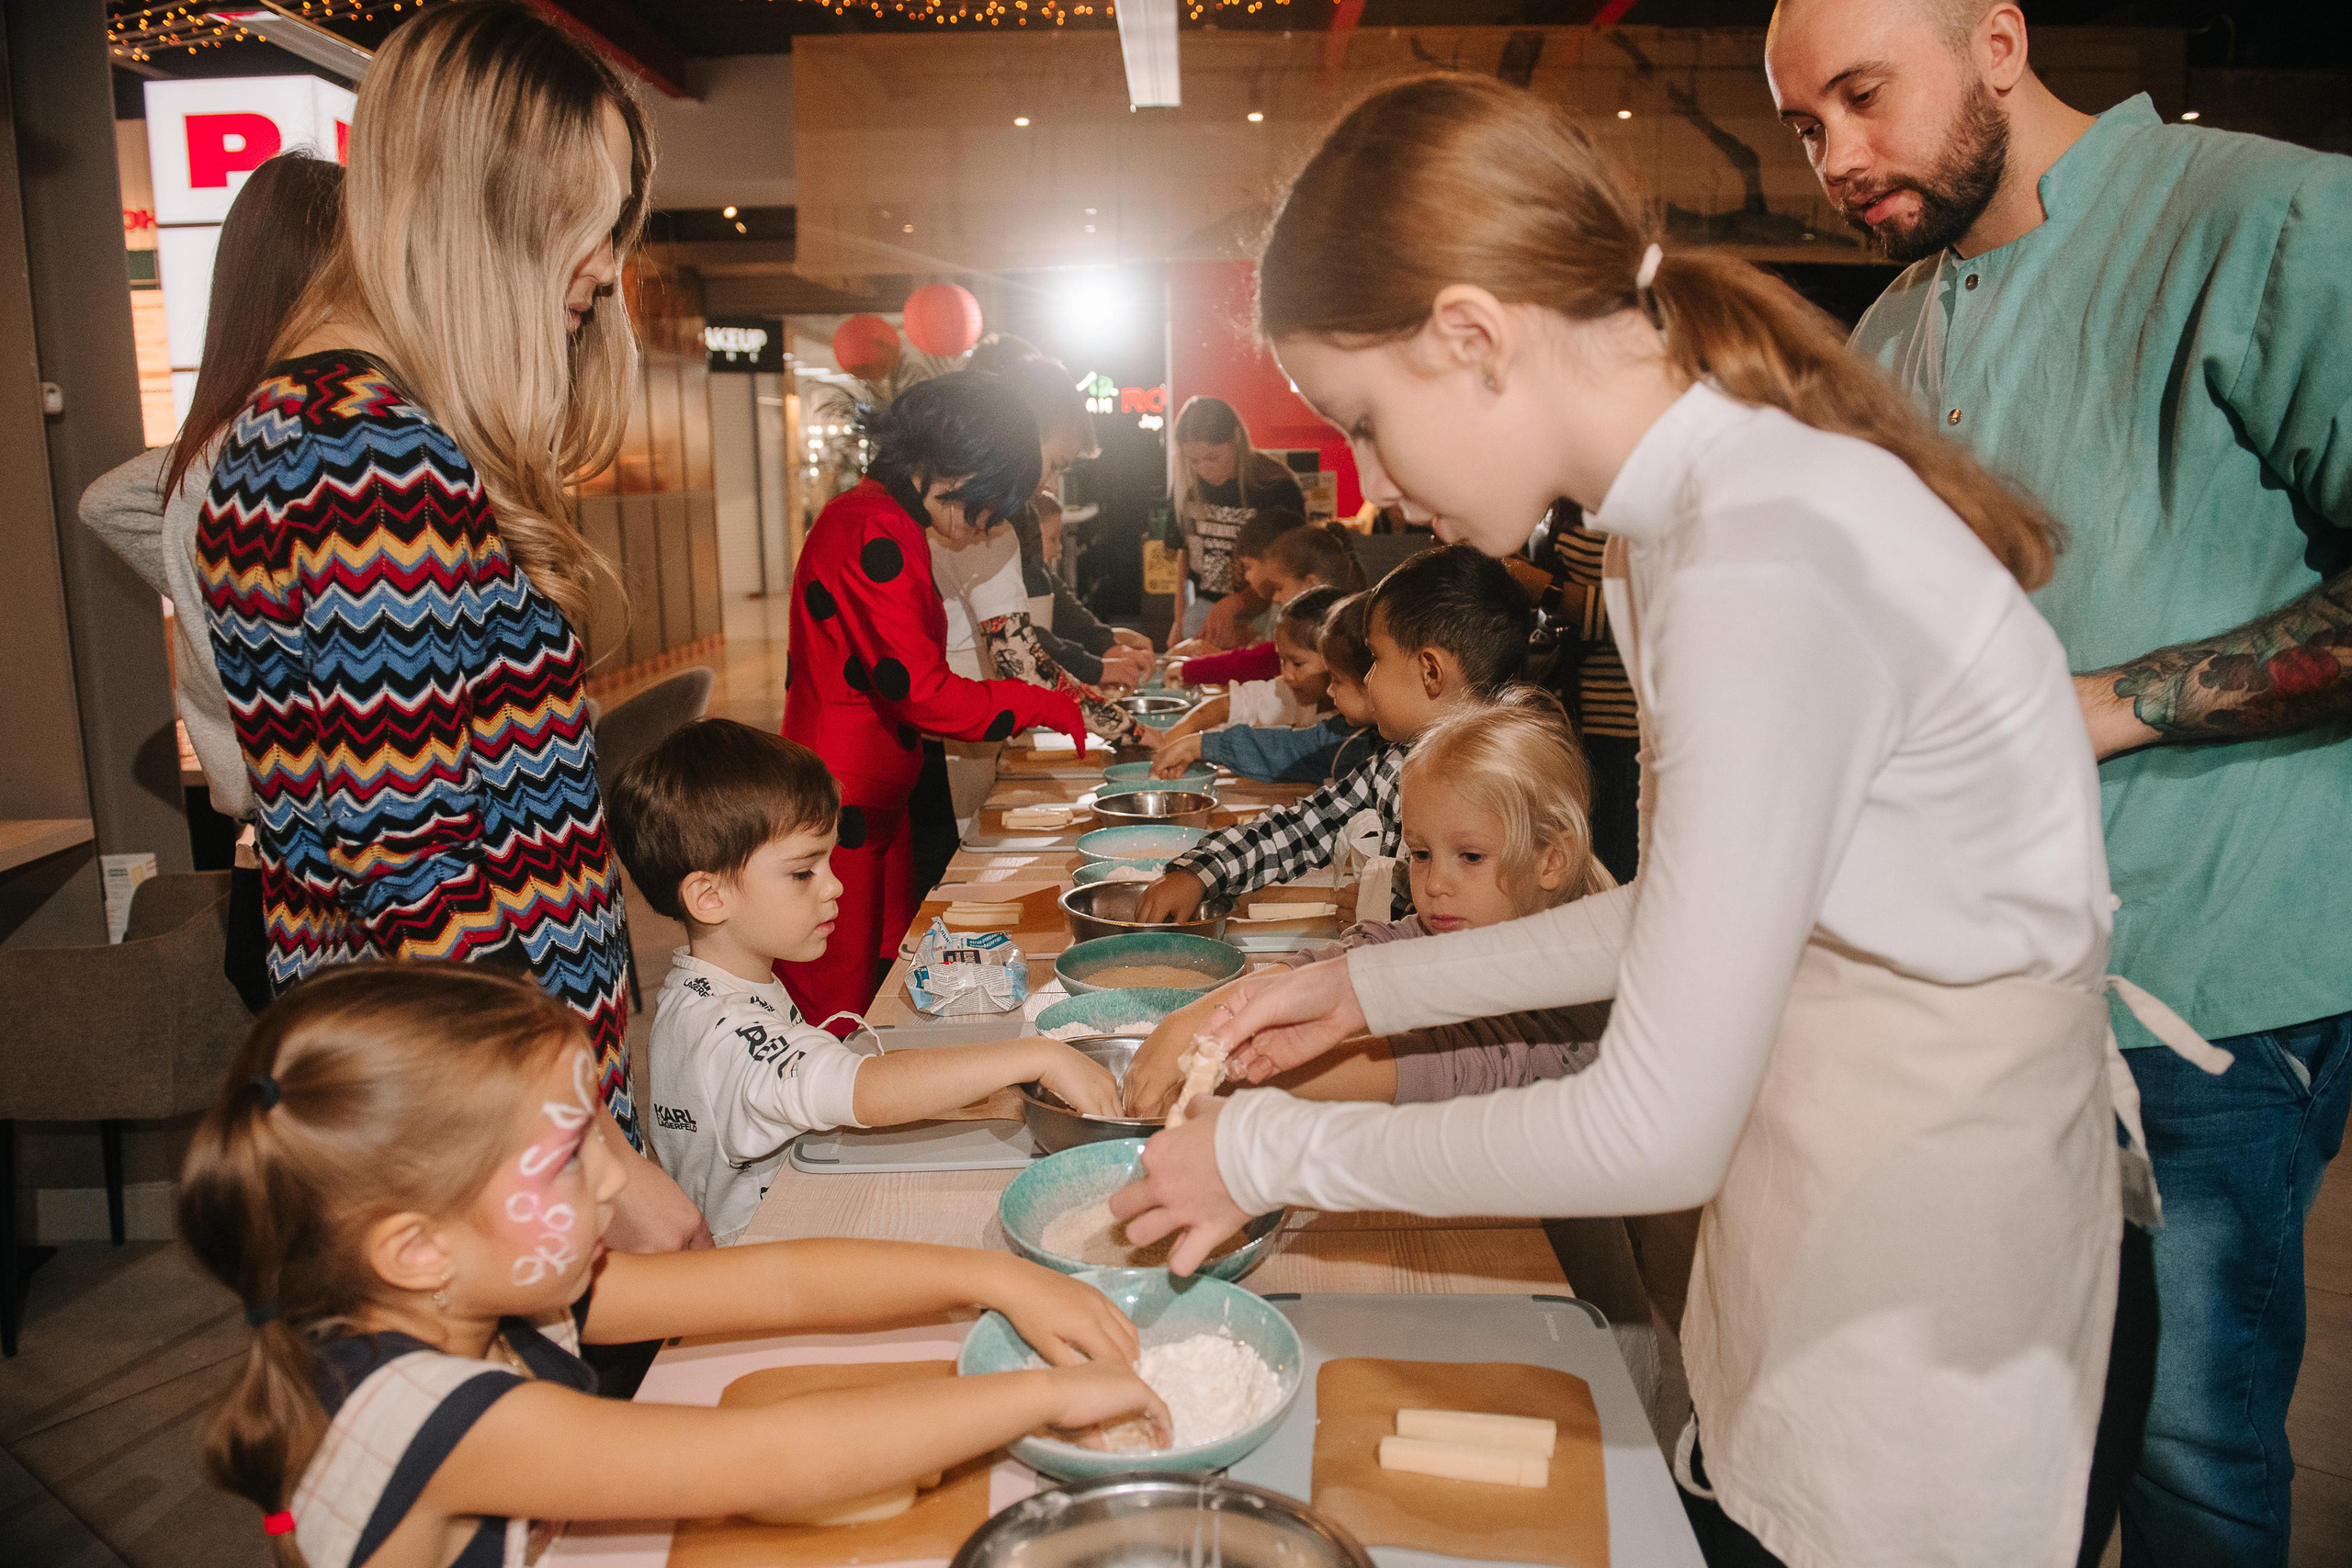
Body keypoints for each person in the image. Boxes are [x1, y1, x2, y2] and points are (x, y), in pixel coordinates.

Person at [1104, 72, 2203, 1568]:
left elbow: (1654, 1126)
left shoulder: (1763, 547)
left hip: (1936, 1289)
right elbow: (1688, 910)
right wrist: (1361, 990)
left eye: (1366, 420)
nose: (1375, 481)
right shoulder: (1679, 523)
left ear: (1472, 336)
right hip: (1829, 1229)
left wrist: (1267, 1152)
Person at [1766, 5, 2352, 1560]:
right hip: (1968, 1002)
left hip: (2203, 986)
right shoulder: (1890, 329)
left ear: (2000, 42)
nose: (1836, 157)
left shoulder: (2265, 218)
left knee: (2188, 1452)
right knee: (2007, 1441)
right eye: (1805, 128)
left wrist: (2108, 703)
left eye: (1863, 97)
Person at [194, 3, 707, 1251]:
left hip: (486, 1090)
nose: (606, 266)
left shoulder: (346, 426)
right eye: (588, 223)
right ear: (486, 211)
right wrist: (592, 1145)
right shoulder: (360, 449)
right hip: (472, 1115)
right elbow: (411, 865)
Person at [177, 963, 1165, 1559]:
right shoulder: (429, 1416)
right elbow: (770, 1460)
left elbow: (775, 1279)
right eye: (571, 1157)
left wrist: (995, 1276)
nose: (619, 1177)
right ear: (416, 1248)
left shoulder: (483, 1287)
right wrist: (1038, 1396)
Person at [609, 718, 1117, 1243]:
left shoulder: (703, 989)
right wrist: (1037, 1055)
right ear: (710, 898)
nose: (834, 886)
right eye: (803, 872)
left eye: (829, 861)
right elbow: (866, 1089)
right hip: (762, 1250)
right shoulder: (726, 1034)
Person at [80, 152, 342, 1013]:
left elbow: (108, 500)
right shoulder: (289, 452)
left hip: (269, 869)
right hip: (321, 882)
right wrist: (228, 592)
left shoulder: (221, 455)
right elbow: (104, 502)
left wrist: (219, 592)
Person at [1127, 697, 1612, 1114]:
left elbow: (1456, 1065)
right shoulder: (1462, 922)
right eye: (1420, 854)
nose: (1435, 884)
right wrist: (1190, 1022)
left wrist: (1216, 1074)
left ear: (1551, 861)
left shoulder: (1576, 993)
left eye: (1470, 857)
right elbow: (1355, 958)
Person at [779, 372, 1087, 1023]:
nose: (987, 524)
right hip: (844, 796)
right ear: (953, 468)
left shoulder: (882, 520)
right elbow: (920, 691)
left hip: (871, 791)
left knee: (886, 975)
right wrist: (1036, 702)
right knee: (840, 997)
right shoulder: (873, 529)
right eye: (989, 503)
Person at [1133, 544, 1533, 928]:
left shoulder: (1508, 782)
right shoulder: (1396, 762)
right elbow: (1304, 827)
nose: (1367, 679)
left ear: (1431, 672)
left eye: (1375, 660)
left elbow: (1478, 920)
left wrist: (1387, 908)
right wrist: (1202, 871)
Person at [1530, 502, 1641, 886]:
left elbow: (1643, 614)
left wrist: (1545, 590)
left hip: (1621, 722)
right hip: (1563, 718)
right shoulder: (1561, 502)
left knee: (1610, 872)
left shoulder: (1636, 506)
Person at [1152, 587, 1348, 783]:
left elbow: (1291, 750)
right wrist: (1169, 743)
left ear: (1333, 661)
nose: (1286, 674)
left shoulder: (1348, 730)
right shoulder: (1292, 691)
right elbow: (1226, 705)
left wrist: (1199, 746)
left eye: (1297, 663)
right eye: (1282, 660)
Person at [1167, 397, 1306, 648]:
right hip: (1204, 611)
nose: (1203, 469)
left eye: (1212, 457)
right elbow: (1184, 557)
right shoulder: (1185, 486)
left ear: (1236, 438)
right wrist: (1178, 621)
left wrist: (1235, 604)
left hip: (1266, 611)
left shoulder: (1275, 485)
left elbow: (1292, 566)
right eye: (1194, 461)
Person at [1168, 518, 1368, 689]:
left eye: (1279, 588)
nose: (1275, 598)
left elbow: (1263, 662)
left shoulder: (1333, 635)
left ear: (1311, 584)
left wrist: (1189, 670)